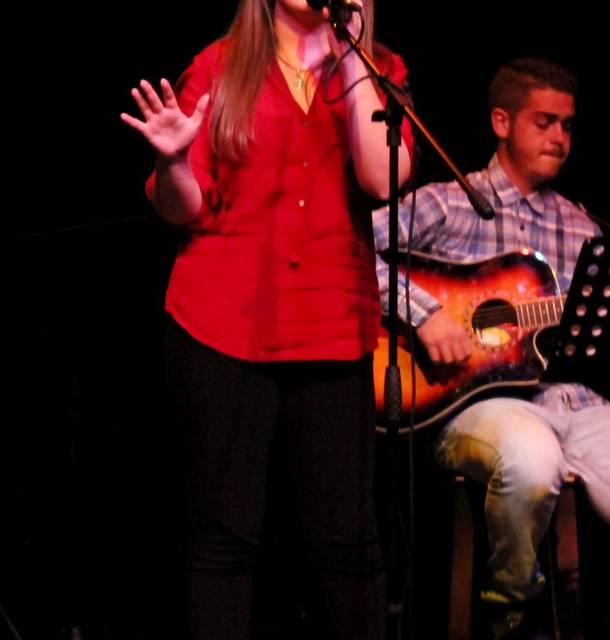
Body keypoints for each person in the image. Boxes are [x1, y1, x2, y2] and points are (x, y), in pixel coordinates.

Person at [371, 58, 610, 639]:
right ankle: (512, 610)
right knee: (533, 462)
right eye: (544, 122)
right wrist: (426, 314)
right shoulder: (446, 202)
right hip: (477, 405)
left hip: (577, 405)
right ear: (501, 121)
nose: (560, 138)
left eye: (567, 125)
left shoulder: (581, 227)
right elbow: (351, 254)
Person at [121, 1, 413, 638]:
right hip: (223, 324)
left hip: (334, 328)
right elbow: (184, 209)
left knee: (351, 548)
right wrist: (172, 162)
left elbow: (382, 178)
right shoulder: (221, 66)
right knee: (225, 542)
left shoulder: (378, 68)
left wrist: (355, 56)